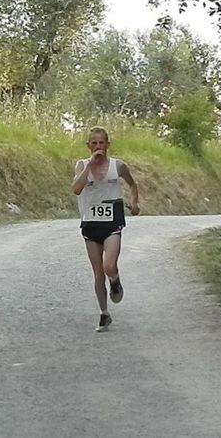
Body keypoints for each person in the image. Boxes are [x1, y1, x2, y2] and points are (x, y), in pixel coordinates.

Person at [72, 127, 140, 332]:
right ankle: (104, 313)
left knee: (109, 265)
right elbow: (76, 189)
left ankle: (116, 281)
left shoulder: (117, 166)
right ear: (88, 146)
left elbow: (133, 185)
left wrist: (135, 204)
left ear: (108, 145)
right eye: (94, 143)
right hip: (90, 222)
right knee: (97, 272)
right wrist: (89, 166)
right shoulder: (82, 165)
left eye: (101, 143)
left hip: (112, 222)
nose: (98, 147)